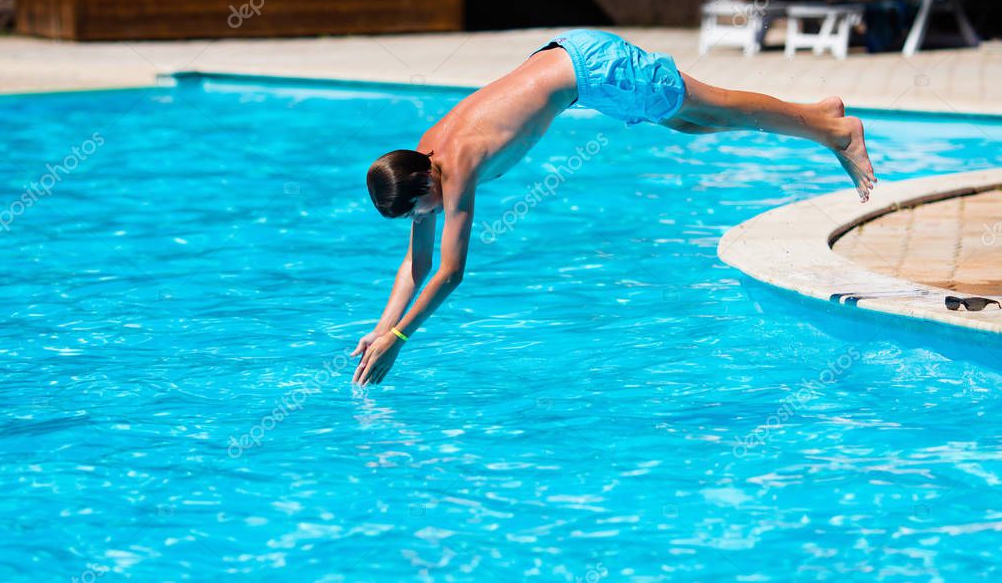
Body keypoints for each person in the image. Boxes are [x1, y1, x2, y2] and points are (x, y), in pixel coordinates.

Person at [351, 29, 876, 385]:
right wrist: (382, 327)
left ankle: (837, 131)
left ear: (424, 182)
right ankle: (819, 115)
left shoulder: (459, 162)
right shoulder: (424, 156)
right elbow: (416, 262)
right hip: (580, 68)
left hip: (598, 69)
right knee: (693, 122)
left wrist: (400, 338)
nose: (424, 219)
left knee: (715, 112)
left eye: (419, 212)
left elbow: (449, 272)